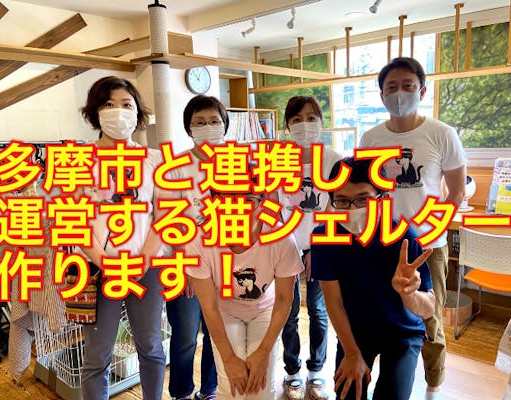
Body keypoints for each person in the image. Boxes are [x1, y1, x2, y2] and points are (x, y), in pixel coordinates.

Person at [359, 57, 467, 399]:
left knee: (429, 317)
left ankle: (433, 385)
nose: (399, 93)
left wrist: (432, 232)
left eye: (408, 85)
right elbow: (365, 192)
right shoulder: (371, 138)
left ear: (421, 91)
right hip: (383, 243)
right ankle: (392, 374)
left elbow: (457, 191)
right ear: (382, 95)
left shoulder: (441, 134)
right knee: (383, 309)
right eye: (391, 87)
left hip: (428, 245)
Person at [311, 157, 436, 400]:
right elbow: (333, 302)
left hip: (401, 332)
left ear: (382, 198)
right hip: (355, 332)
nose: (352, 209)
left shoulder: (403, 237)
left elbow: (429, 308)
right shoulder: (325, 237)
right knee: (347, 392)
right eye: (342, 201)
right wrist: (351, 353)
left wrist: (408, 294)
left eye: (363, 199)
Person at [77, 76, 167, 400]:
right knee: (97, 354)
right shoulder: (78, 161)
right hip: (97, 270)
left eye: (126, 104)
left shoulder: (155, 159)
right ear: (95, 112)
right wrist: (107, 264)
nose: (118, 111)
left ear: (137, 112)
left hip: (147, 267)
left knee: (151, 346)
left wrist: (144, 260)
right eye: (108, 104)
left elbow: (163, 216)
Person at [185, 183, 303, 399]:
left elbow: (284, 299)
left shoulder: (281, 237)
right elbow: (209, 307)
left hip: (265, 309)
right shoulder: (198, 241)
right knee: (231, 386)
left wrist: (264, 352)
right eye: (228, 199)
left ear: (263, 201)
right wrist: (229, 358)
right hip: (224, 309)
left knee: (261, 387)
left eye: (248, 200)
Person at [277, 95, 342, 400]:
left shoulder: (334, 160)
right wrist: (285, 246)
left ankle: (316, 370)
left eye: (311, 118)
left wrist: (319, 247)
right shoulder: (277, 160)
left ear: (321, 122)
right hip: (286, 244)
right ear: (288, 125)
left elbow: (336, 207)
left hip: (321, 245)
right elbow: (273, 205)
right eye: (297, 119)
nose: (304, 125)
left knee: (318, 311)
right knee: (288, 311)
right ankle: (291, 371)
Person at [166, 95, 228, 400]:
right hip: (186, 264)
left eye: (214, 121)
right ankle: (181, 393)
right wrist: (185, 267)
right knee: (185, 335)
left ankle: (209, 390)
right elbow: (170, 220)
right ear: (189, 129)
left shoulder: (237, 164)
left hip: (225, 264)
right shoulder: (177, 167)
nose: (208, 127)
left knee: (217, 332)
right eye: (199, 122)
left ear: (225, 125)